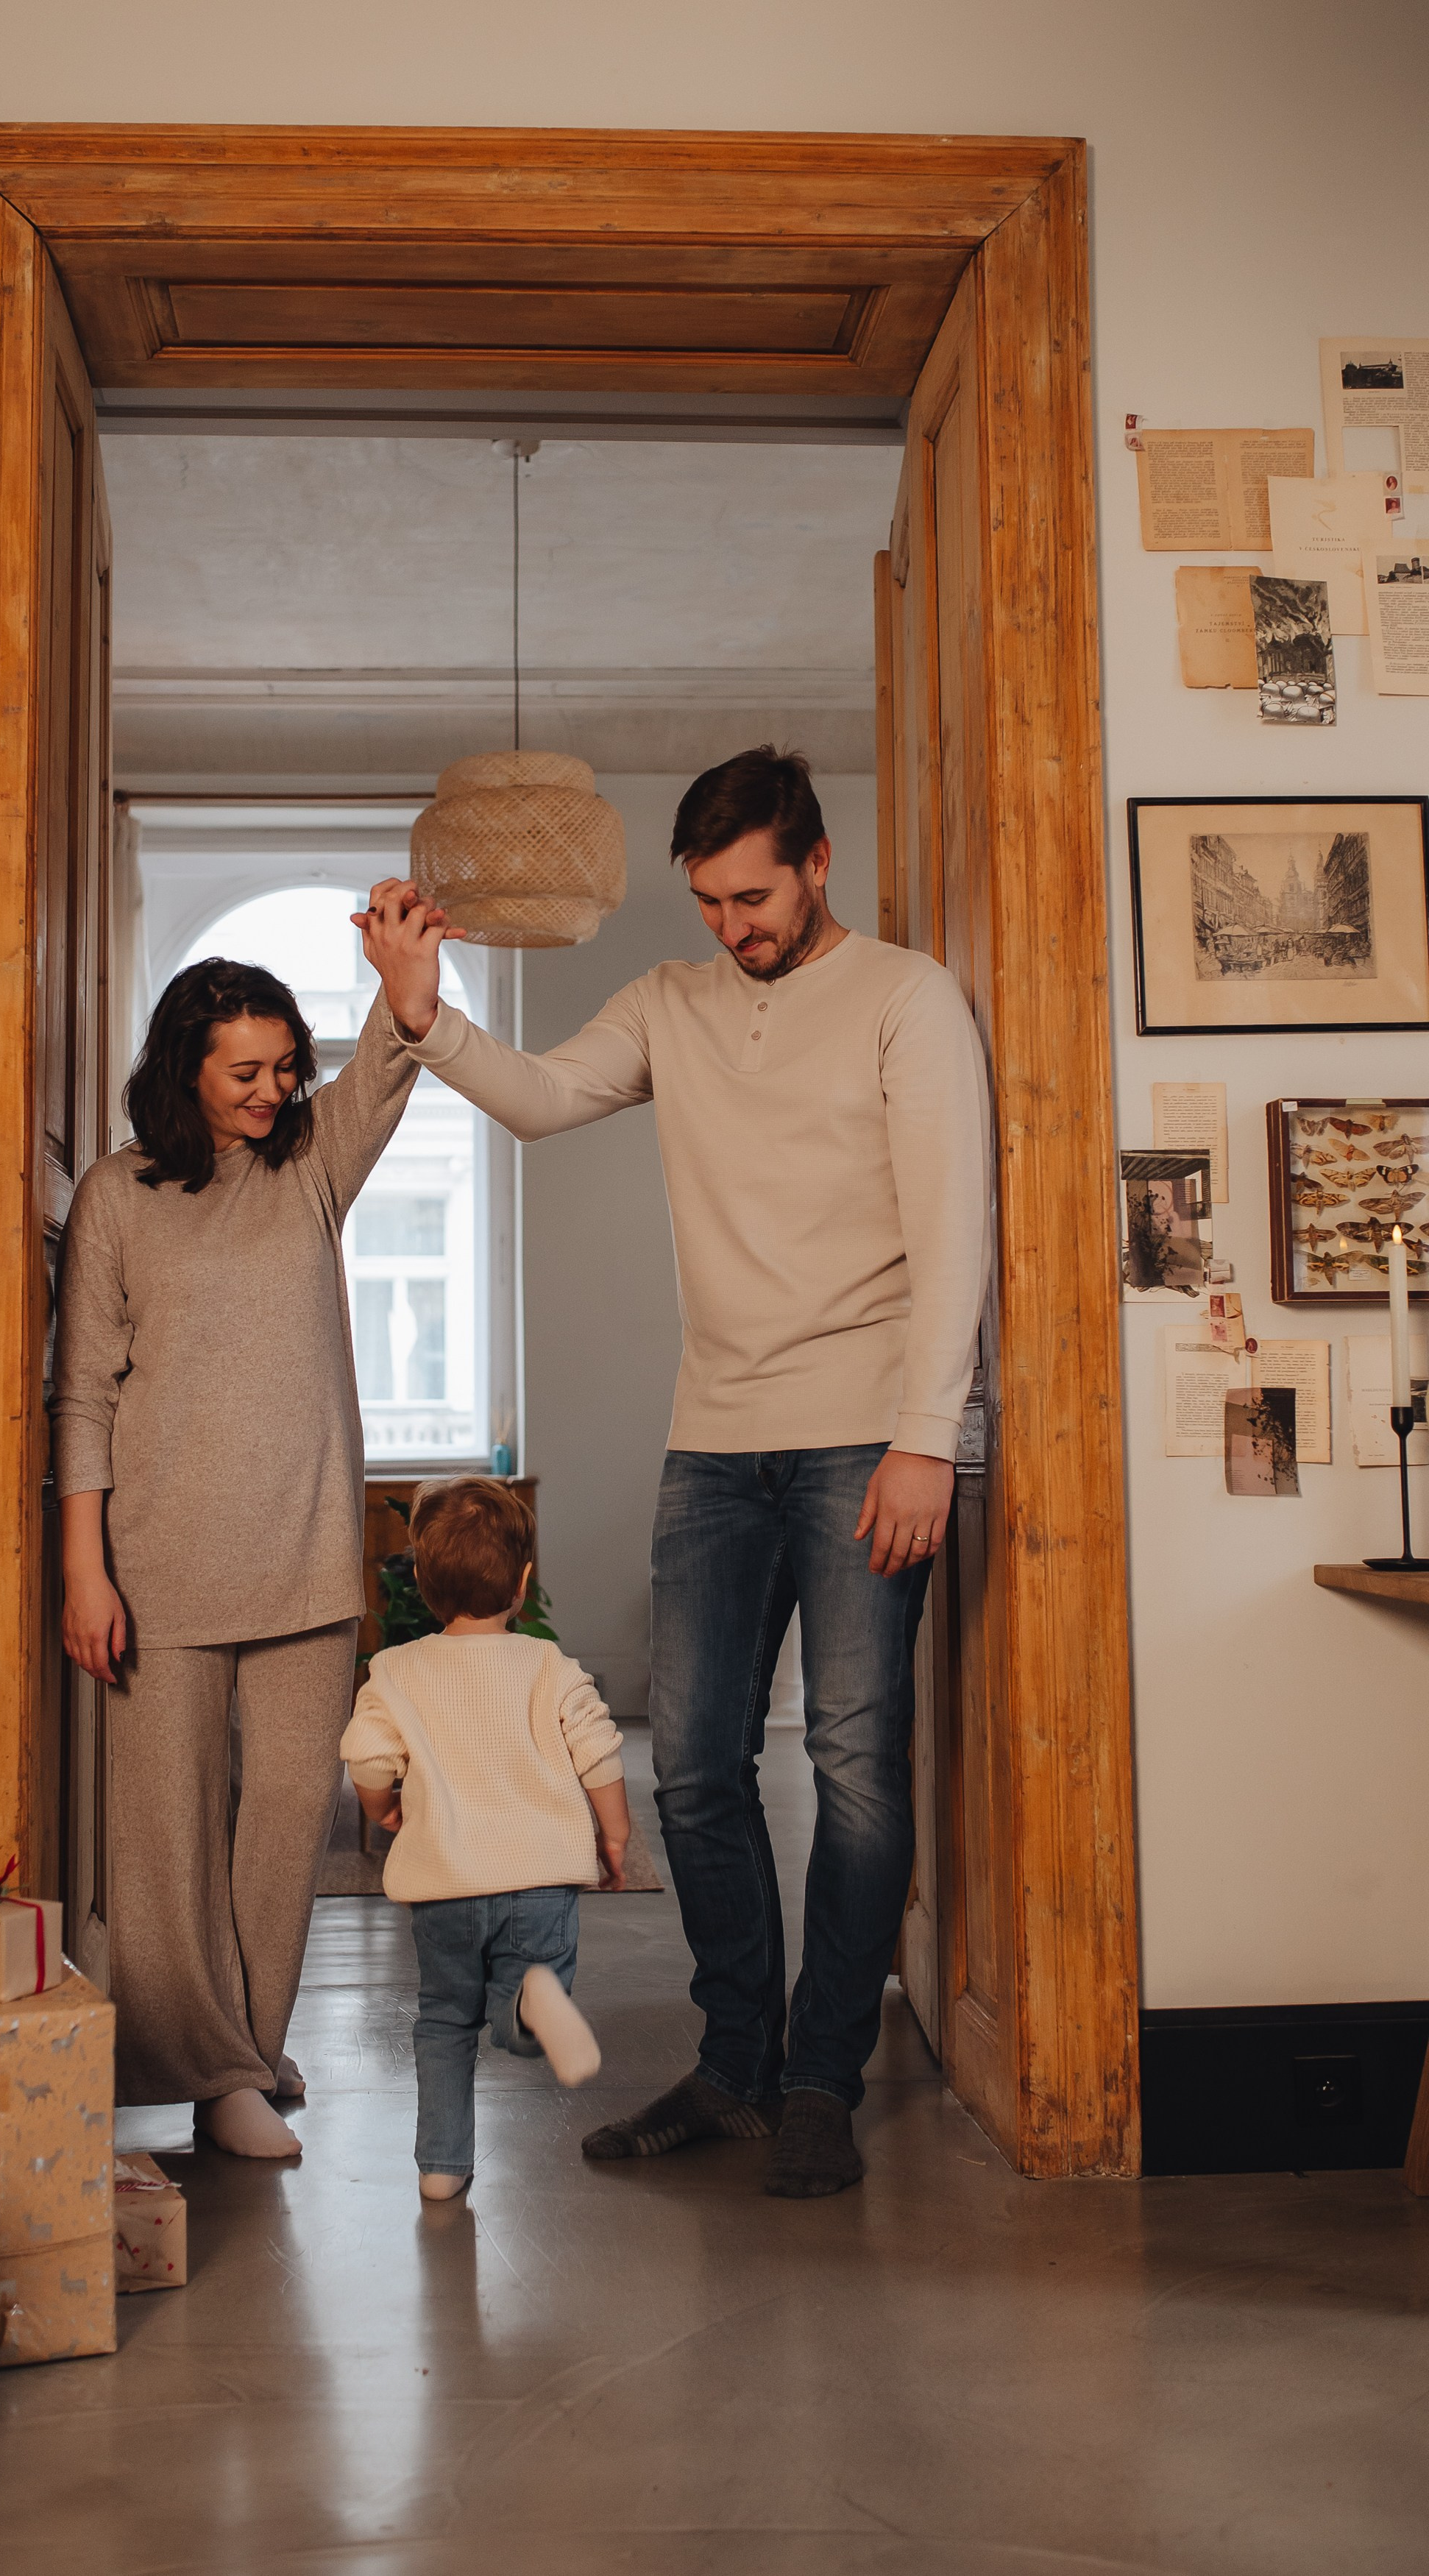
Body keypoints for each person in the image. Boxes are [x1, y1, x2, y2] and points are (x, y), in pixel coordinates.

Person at [355, 746, 990, 2198]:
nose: (731, 925)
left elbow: (955, 1226)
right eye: (707, 901)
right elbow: (533, 1096)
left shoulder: (906, 999)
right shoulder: (669, 1005)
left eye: (752, 896)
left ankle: (825, 2074)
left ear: (817, 863)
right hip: (712, 1439)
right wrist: (420, 1013)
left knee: (850, 1762)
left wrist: (924, 1437)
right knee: (694, 1764)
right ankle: (734, 2065)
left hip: (862, 1436)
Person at [50, 956, 417, 2158]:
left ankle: (246, 2056)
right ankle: (211, 2072)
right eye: (244, 1072)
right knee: (167, 1833)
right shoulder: (117, 1195)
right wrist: (82, 1568)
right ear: (184, 1071)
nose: (272, 1090)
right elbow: (83, 1400)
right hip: (160, 1563)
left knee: (283, 1821)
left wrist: (409, 974)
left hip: (306, 1553)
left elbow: (384, 1070)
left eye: (282, 1067)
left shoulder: (309, 1166)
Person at [341, 1478, 632, 2201]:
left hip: (443, 1883)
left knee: (442, 2020)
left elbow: (367, 1759)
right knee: (526, 1988)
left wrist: (383, 1807)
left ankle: (441, 2164)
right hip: (538, 1877)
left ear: (422, 1579)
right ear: (523, 1582)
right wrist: (615, 1835)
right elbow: (598, 1749)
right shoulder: (548, 1666)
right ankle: (530, 2004)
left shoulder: (396, 1671)